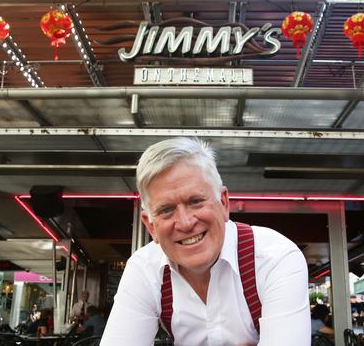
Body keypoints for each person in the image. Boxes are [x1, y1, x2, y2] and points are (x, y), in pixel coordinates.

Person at [101, 137, 311, 345]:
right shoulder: (144, 269)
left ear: (224, 202)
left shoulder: (275, 258)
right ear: (151, 226)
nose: (185, 223)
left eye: (196, 201)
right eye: (166, 210)